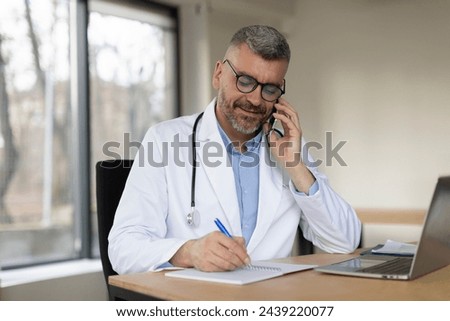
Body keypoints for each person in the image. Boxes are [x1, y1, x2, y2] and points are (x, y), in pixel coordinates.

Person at [108, 25, 361, 274]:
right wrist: (189, 252)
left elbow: (344, 241)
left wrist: (295, 166)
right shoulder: (164, 140)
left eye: (269, 89)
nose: (255, 99)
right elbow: (123, 248)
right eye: (245, 81)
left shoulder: (289, 148)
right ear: (218, 74)